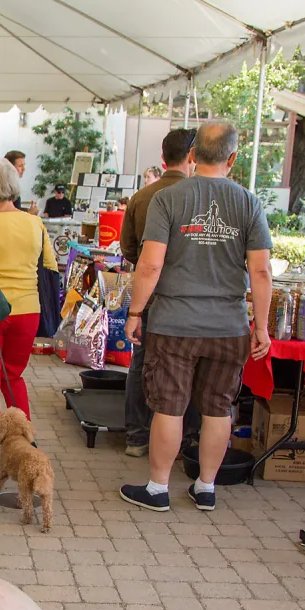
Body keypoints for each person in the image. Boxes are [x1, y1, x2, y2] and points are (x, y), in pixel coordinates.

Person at [122, 121, 273, 513]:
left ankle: (158, 489)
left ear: (192, 154)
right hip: (229, 325)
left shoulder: (168, 199)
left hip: (174, 323)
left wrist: (135, 312)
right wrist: (262, 327)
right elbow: (260, 272)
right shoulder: (249, 203)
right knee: (218, 407)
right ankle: (205, 487)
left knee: (168, 406)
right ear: (233, 158)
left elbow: (150, 264)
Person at [0, 160, 58, 467]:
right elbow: (50, 267)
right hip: (28, 310)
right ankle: (25, 439)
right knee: (14, 376)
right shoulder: (35, 223)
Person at [119, 127, 199, 457]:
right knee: (187, 367)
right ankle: (185, 439)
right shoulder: (199, 196)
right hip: (189, 297)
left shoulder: (142, 197)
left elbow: (128, 249)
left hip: (149, 294)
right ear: (193, 157)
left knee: (142, 362)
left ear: (163, 158)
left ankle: (136, 437)